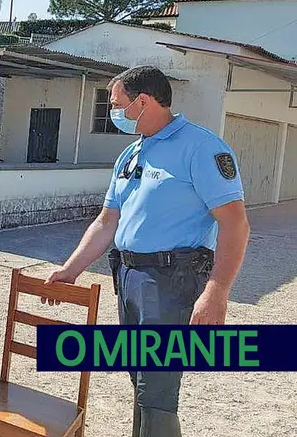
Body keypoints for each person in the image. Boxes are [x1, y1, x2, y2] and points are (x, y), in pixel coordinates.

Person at [43, 65, 250, 437]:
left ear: (142, 102)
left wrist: (217, 291)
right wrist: (70, 269)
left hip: (172, 281)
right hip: (130, 278)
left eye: (116, 103)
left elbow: (235, 224)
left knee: (157, 389)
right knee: (140, 380)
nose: (113, 111)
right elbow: (107, 221)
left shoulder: (201, 148)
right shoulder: (132, 153)